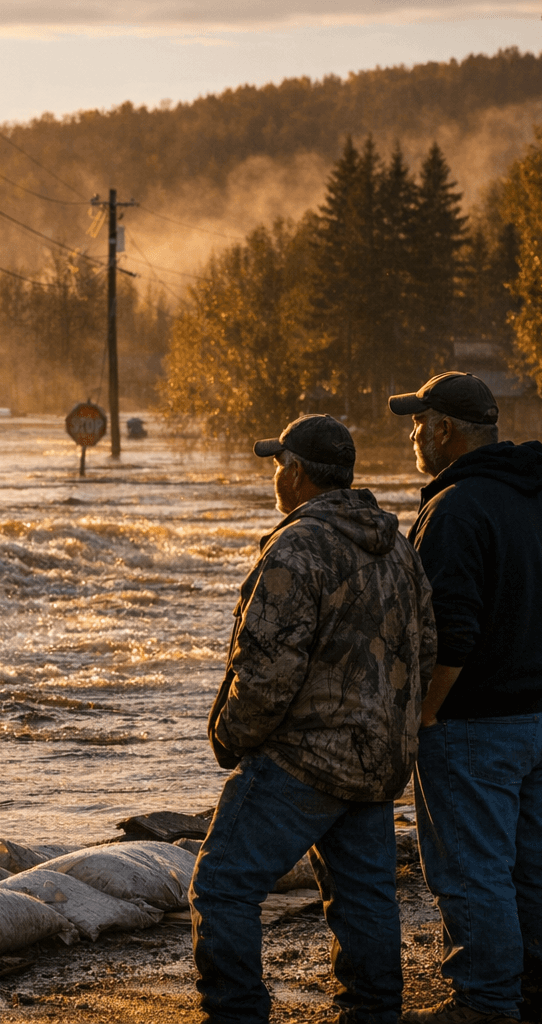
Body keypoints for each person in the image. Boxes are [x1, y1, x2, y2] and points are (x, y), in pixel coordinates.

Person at [190, 413, 436, 1024]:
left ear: (297, 474)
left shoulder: (296, 547)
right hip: (378, 760)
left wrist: (229, 736)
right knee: (365, 898)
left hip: (302, 760)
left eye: (279, 466)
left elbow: (267, 668)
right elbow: (426, 647)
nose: (276, 477)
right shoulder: (398, 546)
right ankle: (374, 1012)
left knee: (222, 886)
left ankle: (236, 1013)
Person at [390, 373, 542, 1024]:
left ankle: (484, 1003)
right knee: (531, 862)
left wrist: (425, 712)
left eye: (419, 422)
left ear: (447, 429)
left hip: (474, 724)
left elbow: (451, 630)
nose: (413, 433)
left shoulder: (452, 511)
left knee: (471, 870)